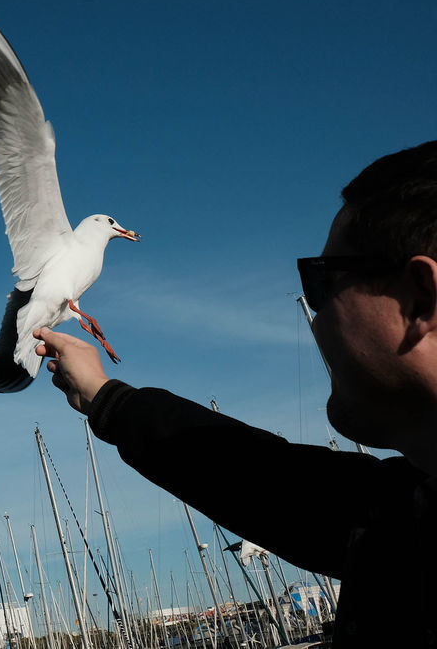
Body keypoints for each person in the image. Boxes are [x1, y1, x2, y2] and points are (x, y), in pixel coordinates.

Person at [34, 140, 437, 647]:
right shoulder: (404, 515)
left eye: (322, 283)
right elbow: (264, 481)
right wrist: (104, 396)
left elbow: (275, 488)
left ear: (421, 299)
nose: (315, 318)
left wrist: (109, 400)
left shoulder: (397, 524)